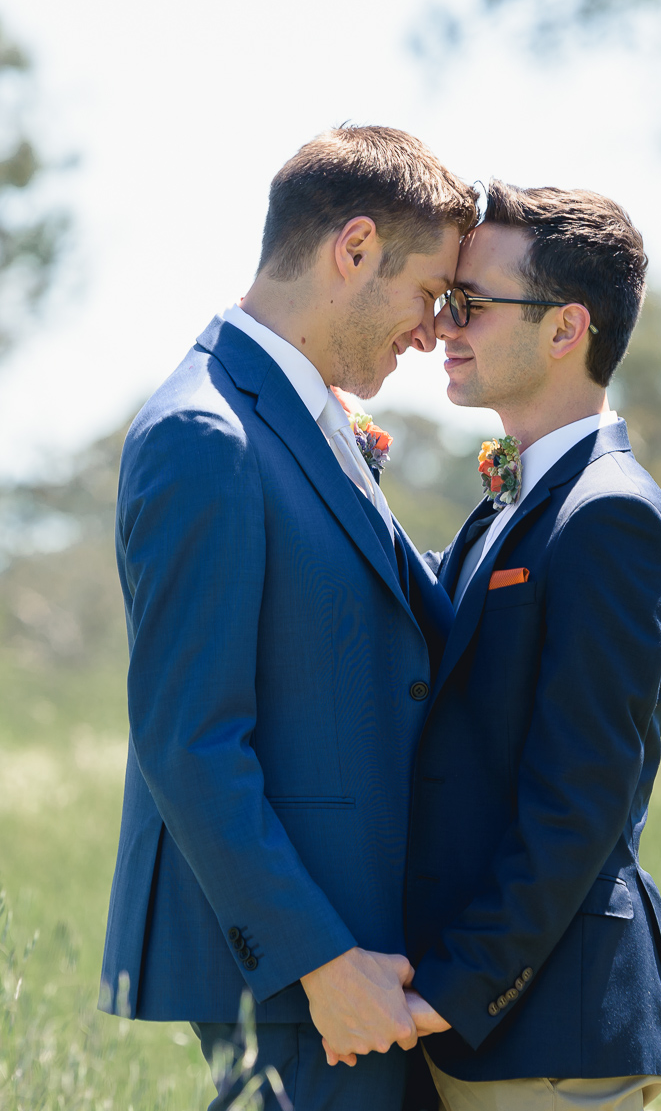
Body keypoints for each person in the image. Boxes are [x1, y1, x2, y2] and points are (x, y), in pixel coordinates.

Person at [97, 125, 477, 1111]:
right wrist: (320, 964)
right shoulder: (204, 433)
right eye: (428, 293)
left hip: (371, 949)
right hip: (306, 978)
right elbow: (189, 740)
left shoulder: (308, 416)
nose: (434, 329)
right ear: (352, 250)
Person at [404, 181, 661, 1110]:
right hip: (473, 1024)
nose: (445, 325)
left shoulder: (608, 515)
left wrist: (452, 991)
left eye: (472, 304)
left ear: (566, 329)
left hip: (546, 1032)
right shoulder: (513, 502)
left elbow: (579, 803)